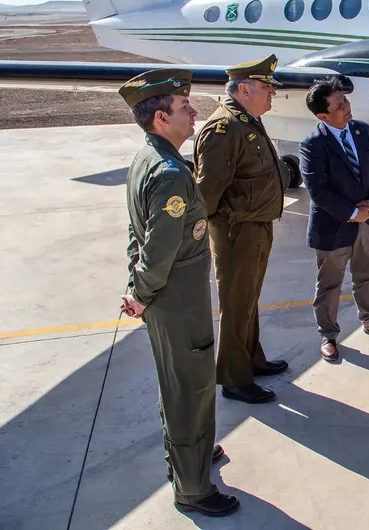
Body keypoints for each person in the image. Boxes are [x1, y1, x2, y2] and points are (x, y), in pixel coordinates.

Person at [119, 68, 239, 517]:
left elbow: (139, 236)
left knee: (183, 384)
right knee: (189, 390)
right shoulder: (169, 172)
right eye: (183, 107)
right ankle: (192, 488)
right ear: (160, 119)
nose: (193, 112)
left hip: (165, 297)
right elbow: (159, 246)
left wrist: (136, 288)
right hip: (176, 300)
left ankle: (195, 454)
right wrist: (143, 293)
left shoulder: (149, 158)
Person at [193, 55, 292, 404]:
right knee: (236, 304)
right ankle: (234, 379)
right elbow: (206, 192)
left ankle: (251, 359)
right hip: (236, 231)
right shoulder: (225, 128)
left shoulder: (246, 119)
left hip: (254, 226)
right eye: (267, 88)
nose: (272, 95)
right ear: (245, 89)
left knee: (248, 300)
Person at [299, 77, 369, 361]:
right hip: (333, 226)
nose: (346, 106)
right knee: (329, 284)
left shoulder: (362, 131)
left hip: (368, 220)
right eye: (339, 104)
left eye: (345, 100)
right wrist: (353, 212)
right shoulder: (312, 144)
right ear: (322, 115)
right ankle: (328, 334)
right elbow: (319, 190)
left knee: (367, 276)